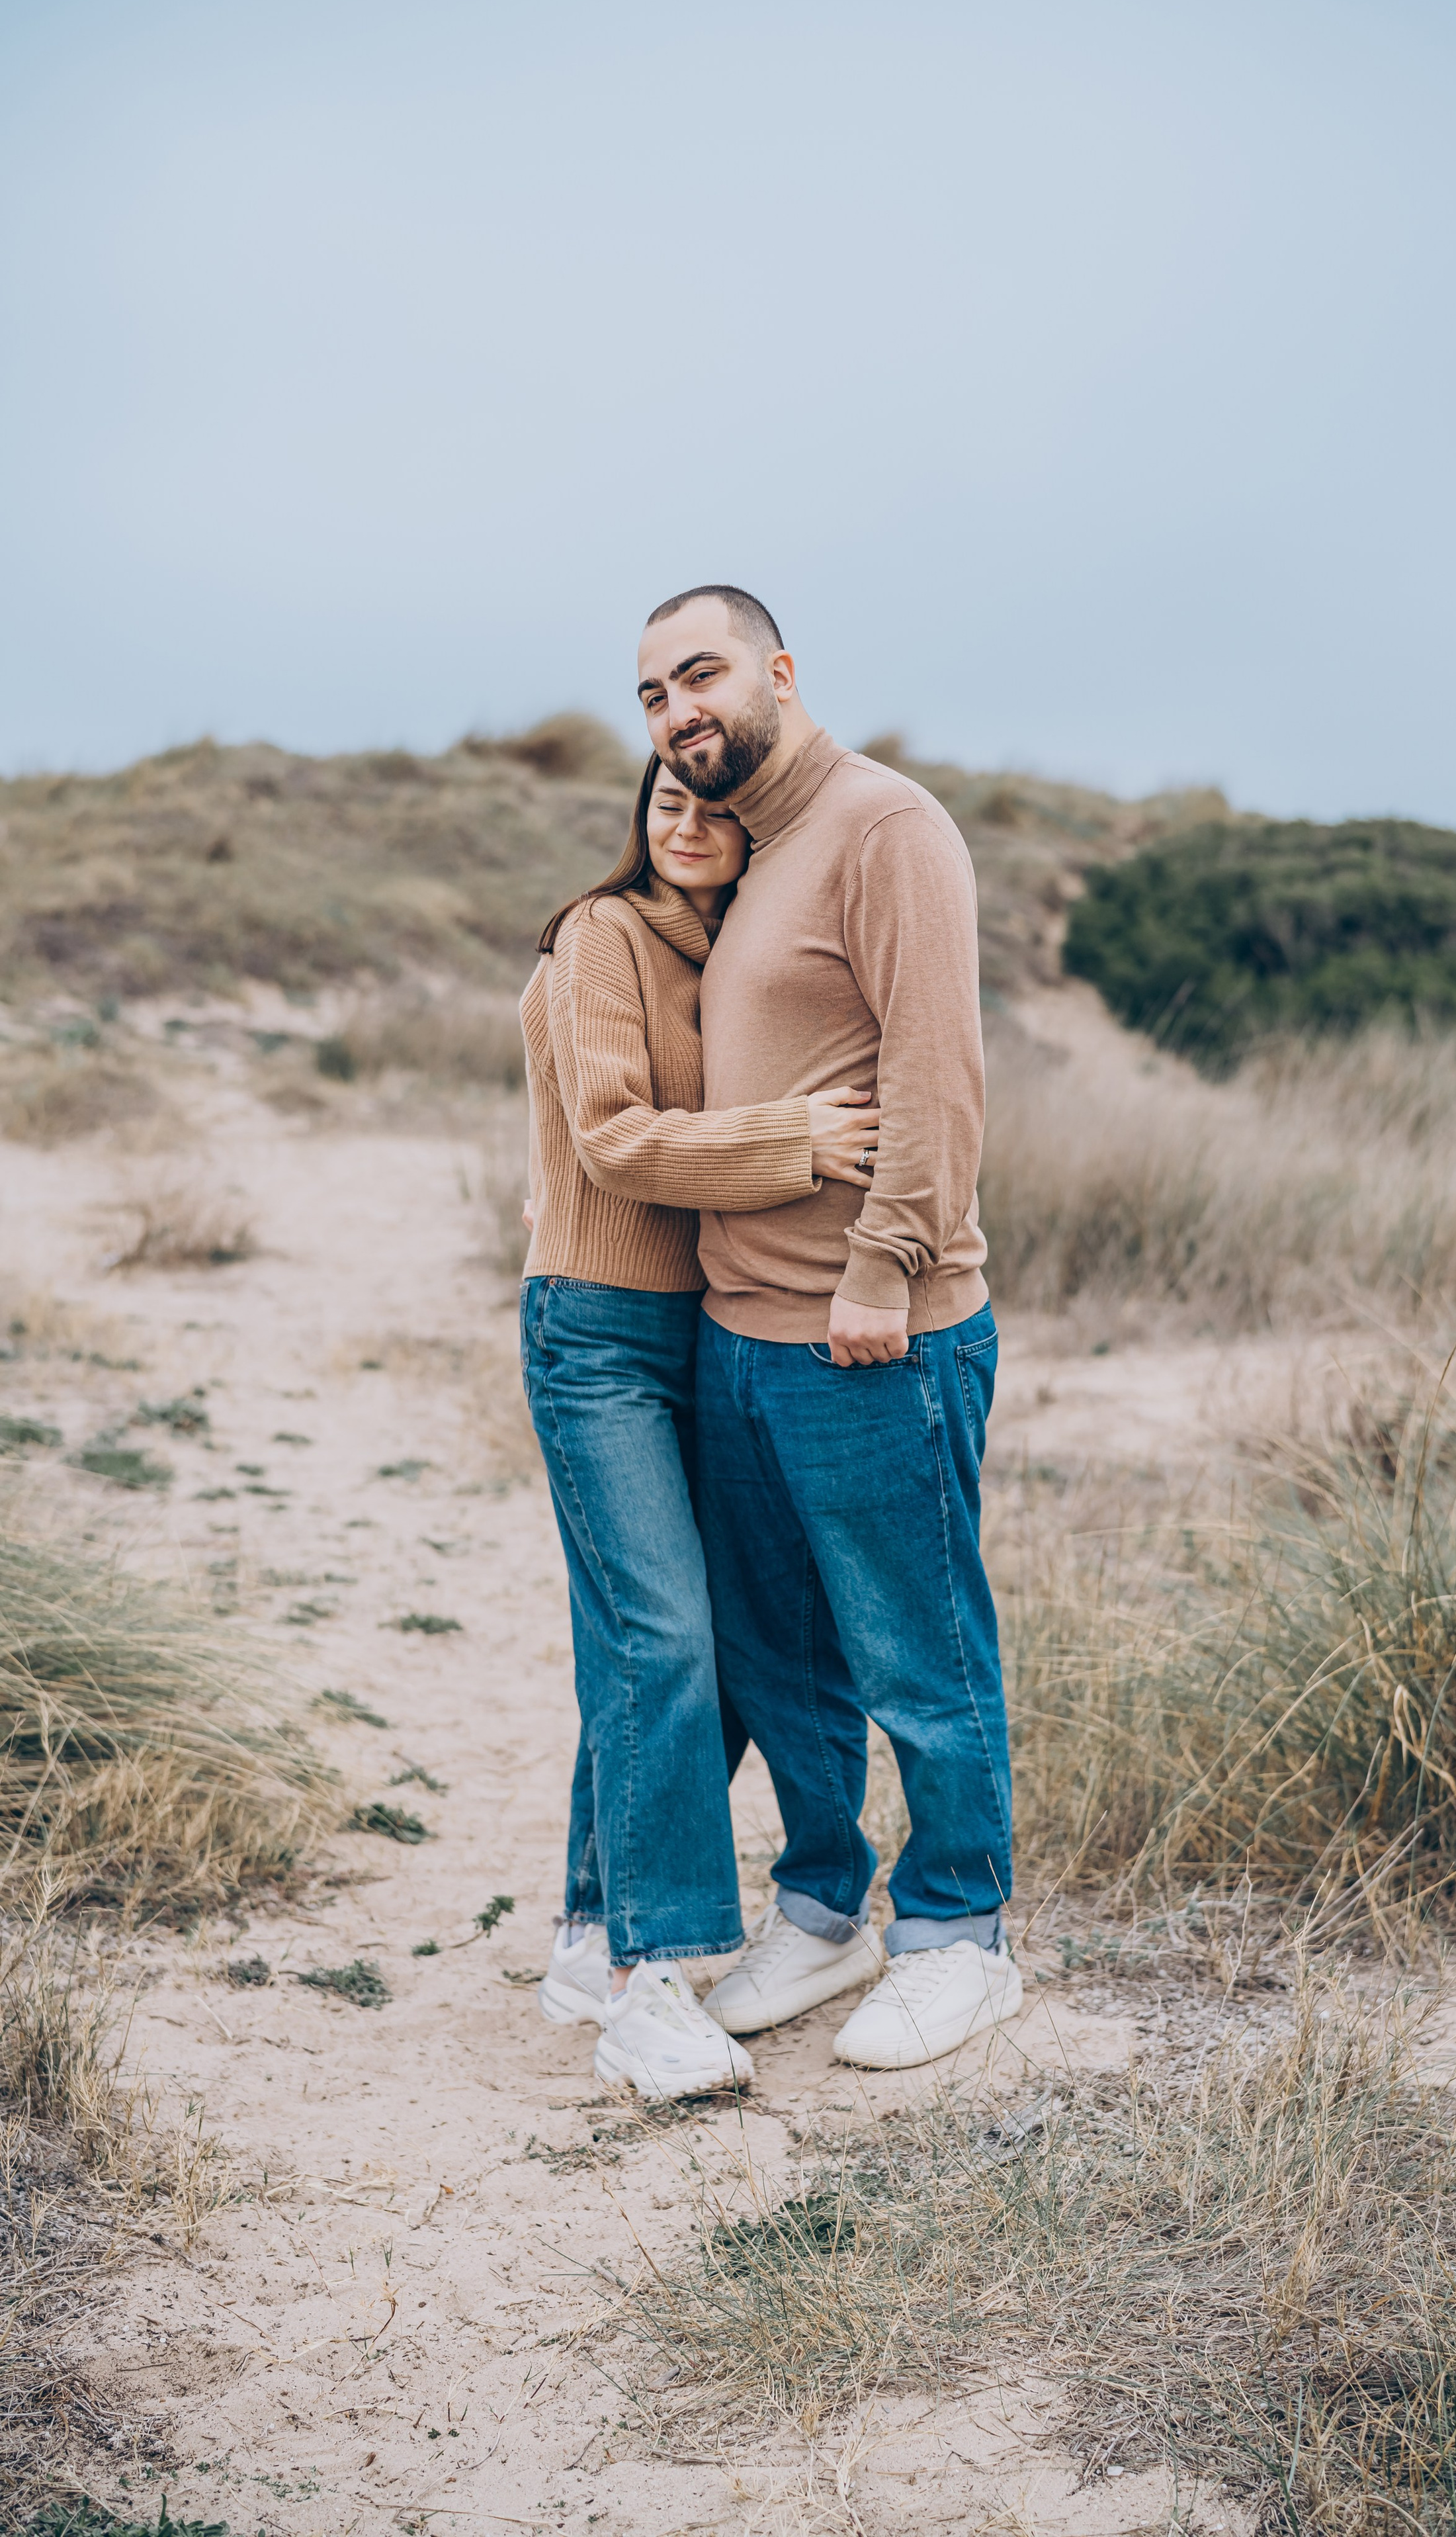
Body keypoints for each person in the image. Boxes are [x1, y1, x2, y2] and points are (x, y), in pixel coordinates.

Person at [635, 585, 1021, 2072]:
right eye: (654, 695)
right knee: (781, 1653)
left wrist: (884, 1268)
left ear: (778, 673)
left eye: (701, 674)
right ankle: (821, 1907)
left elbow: (938, 1066)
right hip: (742, 1336)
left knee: (915, 1647)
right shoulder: (761, 850)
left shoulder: (884, 826)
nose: (679, 711)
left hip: (875, 1331)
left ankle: (959, 1934)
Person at [519, 752, 880, 2099]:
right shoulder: (601, 934)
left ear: (752, 834)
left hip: (709, 1328)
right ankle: (642, 1984)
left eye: (709, 805)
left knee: (671, 1639)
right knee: (660, 1630)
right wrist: (790, 1140)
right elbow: (613, 1138)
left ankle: (581, 1925)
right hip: (599, 1333)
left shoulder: (736, 957)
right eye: (661, 797)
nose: (682, 818)